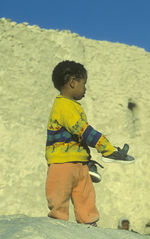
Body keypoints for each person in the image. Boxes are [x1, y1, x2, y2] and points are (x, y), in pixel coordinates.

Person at [45, 60, 134, 226]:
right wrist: (106, 148)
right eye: (83, 84)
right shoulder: (64, 106)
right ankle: (57, 226)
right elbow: (84, 131)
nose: (85, 88)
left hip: (79, 163)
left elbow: (78, 138)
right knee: (59, 196)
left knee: (85, 195)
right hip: (62, 163)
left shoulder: (72, 106)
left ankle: (89, 224)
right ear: (72, 82)